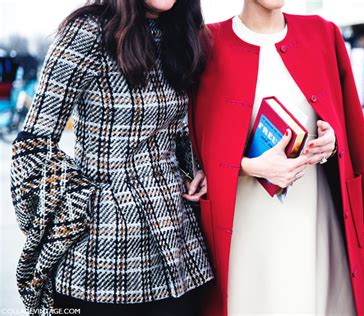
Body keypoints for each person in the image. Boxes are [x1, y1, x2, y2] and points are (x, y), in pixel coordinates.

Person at [190, 0, 364, 315]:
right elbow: (189, 142)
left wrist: (332, 139)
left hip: (314, 211)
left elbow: (348, 120)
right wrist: (249, 166)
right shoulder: (206, 43)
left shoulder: (322, 33)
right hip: (244, 226)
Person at [10, 0, 213, 315]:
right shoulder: (88, 31)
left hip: (178, 245)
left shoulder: (182, 32)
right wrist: (81, 208)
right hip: (100, 257)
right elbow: (34, 145)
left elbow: (177, 129)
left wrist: (193, 169)